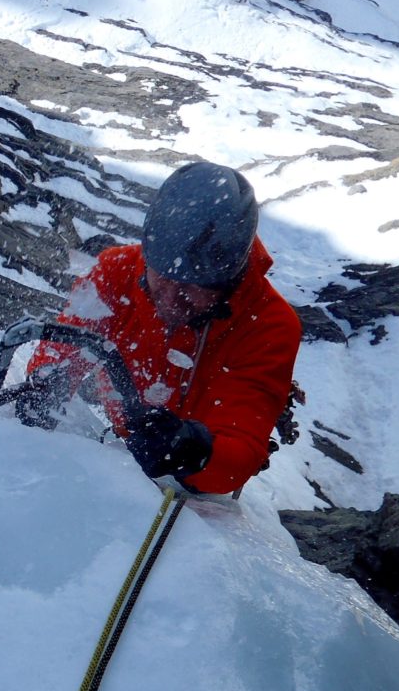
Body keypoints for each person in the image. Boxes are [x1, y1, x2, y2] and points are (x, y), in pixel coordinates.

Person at [18, 162, 301, 495]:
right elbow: (65, 351)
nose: (172, 298)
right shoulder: (116, 271)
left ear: (230, 278)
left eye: (195, 286)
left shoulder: (269, 326)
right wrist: (46, 384)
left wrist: (192, 450)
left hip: (194, 479)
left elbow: (238, 454)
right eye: (162, 276)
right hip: (125, 448)